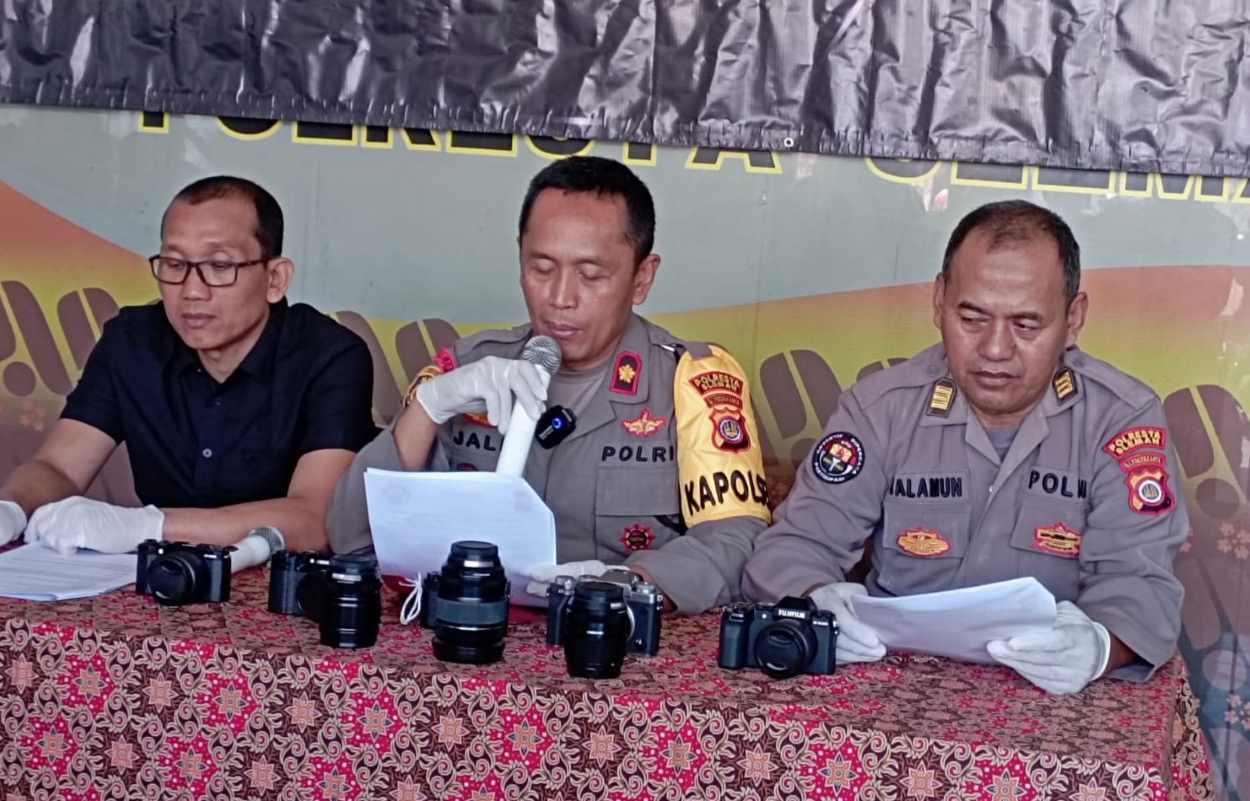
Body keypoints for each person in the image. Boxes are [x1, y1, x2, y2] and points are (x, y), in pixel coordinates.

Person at [743, 200, 1187, 694]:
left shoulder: (1119, 419)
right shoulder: (883, 408)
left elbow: (1141, 583)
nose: (995, 349)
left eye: (1026, 325)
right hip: (886, 686)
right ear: (939, 302)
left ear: (1073, 318)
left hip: (1048, 694)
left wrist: (1099, 647)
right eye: (972, 319)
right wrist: (814, 599)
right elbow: (795, 545)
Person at [328, 156, 771, 614]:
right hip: (468, 635)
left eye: (590, 275)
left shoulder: (689, 381)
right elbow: (352, 540)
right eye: (541, 269)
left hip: (607, 641)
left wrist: (631, 583)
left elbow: (736, 540)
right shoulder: (469, 368)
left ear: (642, 278)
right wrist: (429, 406)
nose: (560, 298)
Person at [0, 176, 376, 554]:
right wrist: (13, 508)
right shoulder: (132, 342)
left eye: (219, 266)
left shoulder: (330, 356)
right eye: (175, 264)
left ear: (275, 279)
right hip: (156, 576)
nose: (192, 291)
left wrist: (147, 526)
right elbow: (59, 467)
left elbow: (314, 520)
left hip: (277, 580)